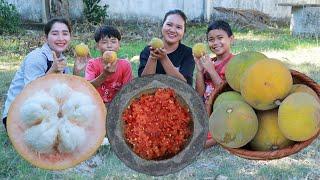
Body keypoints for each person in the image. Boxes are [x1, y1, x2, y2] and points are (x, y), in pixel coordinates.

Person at [2, 17, 86, 129]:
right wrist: (52, 71)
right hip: (18, 116)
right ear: (46, 37)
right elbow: (31, 92)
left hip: (45, 113)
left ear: (70, 37)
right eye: (55, 34)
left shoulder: (62, 60)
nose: (61, 38)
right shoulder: (36, 57)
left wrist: (76, 72)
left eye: (65, 34)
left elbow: (67, 93)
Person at [194, 20, 235, 148]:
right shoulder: (209, 62)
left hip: (223, 112)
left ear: (231, 39)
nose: (215, 43)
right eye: (211, 39)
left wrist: (211, 70)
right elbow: (199, 93)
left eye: (220, 38)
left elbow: (226, 92)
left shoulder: (234, 64)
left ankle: (219, 137)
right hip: (206, 111)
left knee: (199, 142)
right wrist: (200, 71)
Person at [138, 9, 195, 85]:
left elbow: (184, 85)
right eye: (169, 24)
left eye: (178, 27)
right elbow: (143, 83)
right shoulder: (148, 51)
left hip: (177, 95)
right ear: (162, 26)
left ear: (184, 32)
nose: (172, 30)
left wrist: (164, 58)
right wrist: (152, 57)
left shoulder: (188, 53)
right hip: (151, 95)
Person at [85, 26, 133, 105]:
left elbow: (127, 90)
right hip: (96, 104)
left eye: (113, 42)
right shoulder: (93, 64)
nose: (109, 45)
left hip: (117, 105)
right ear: (97, 46)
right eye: (104, 42)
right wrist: (105, 75)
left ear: (119, 45)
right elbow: (87, 87)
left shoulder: (125, 65)